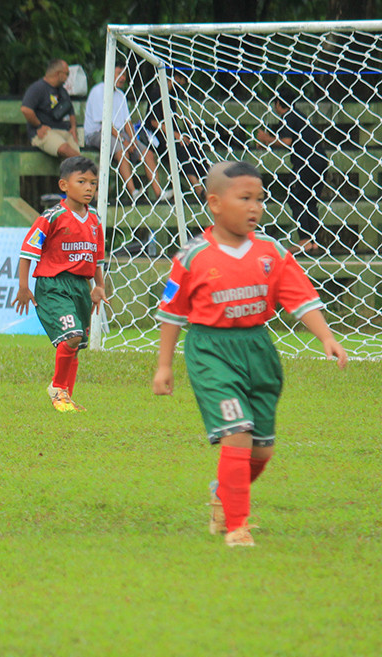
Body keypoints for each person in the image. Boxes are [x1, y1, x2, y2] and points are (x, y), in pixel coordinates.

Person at [152, 161, 348, 548]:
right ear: (215, 203)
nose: (255, 207)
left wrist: (326, 336)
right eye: (245, 198)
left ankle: (224, 492)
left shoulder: (272, 251)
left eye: (260, 199)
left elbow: (299, 299)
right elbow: (172, 312)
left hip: (258, 350)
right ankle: (236, 526)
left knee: (262, 449)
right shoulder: (192, 257)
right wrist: (164, 365)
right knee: (237, 434)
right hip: (211, 350)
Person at [12, 156, 107, 412]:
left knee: (76, 345)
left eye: (93, 183)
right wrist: (24, 286)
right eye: (82, 182)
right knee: (72, 336)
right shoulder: (53, 216)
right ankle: (57, 388)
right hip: (53, 285)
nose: (89, 188)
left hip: (80, 288)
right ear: (64, 185)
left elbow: (97, 257)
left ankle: (66, 399)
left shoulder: (95, 219)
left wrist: (99, 286)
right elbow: (27, 250)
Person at [255, 86, 330, 254]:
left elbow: (286, 141)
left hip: (306, 162)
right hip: (320, 161)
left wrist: (266, 139)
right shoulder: (298, 116)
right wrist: (270, 140)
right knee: (310, 201)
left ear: (278, 103)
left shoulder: (289, 116)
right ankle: (312, 241)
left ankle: (304, 240)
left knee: (296, 199)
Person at [85, 62, 168, 201]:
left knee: (147, 153)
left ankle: (160, 194)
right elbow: (105, 124)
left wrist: (133, 140)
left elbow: (127, 122)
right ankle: (134, 192)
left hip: (118, 133)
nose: (122, 77)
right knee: (121, 150)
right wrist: (125, 141)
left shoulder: (121, 95)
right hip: (98, 133)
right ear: (109, 73)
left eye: (124, 74)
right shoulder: (99, 91)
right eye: (118, 73)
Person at [144, 70, 209, 199]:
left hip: (171, 134)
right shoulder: (157, 92)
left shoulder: (172, 94)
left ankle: (209, 182)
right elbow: (154, 122)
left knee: (193, 145)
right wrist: (175, 135)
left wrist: (184, 123)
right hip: (157, 136)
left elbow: (173, 117)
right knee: (180, 150)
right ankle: (198, 189)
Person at [21, 59, 81, 159]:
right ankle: (88, 167)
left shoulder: (62, 91)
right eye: (67, 74)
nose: (67, 78)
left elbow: (70, 110)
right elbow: (25, 109)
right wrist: (39, 126)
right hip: (43, 132)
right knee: (66, 149)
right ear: (58, 74)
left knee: (73, 153)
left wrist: (73, 127)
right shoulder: (38, 88)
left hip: (63, 131)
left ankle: (84, 167)